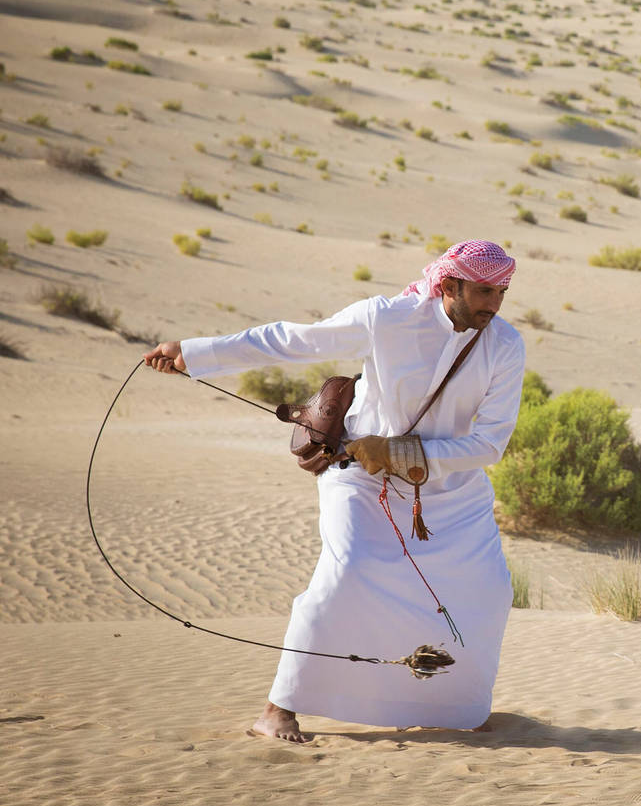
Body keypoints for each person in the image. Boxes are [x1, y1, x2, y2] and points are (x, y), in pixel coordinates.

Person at [142, 240, 526, 743]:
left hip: (452, 490)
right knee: (347, 571)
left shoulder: (504, 344)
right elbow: (292, 340)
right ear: (449, 285)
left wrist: (399, 453)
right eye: (483, 291)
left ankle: (455, 708)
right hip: (359, 475)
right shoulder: (386, 318)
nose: (493, 304)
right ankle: (278, 709)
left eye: (501, 292)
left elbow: (490, 442)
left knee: (488, 589)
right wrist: (193, 353)